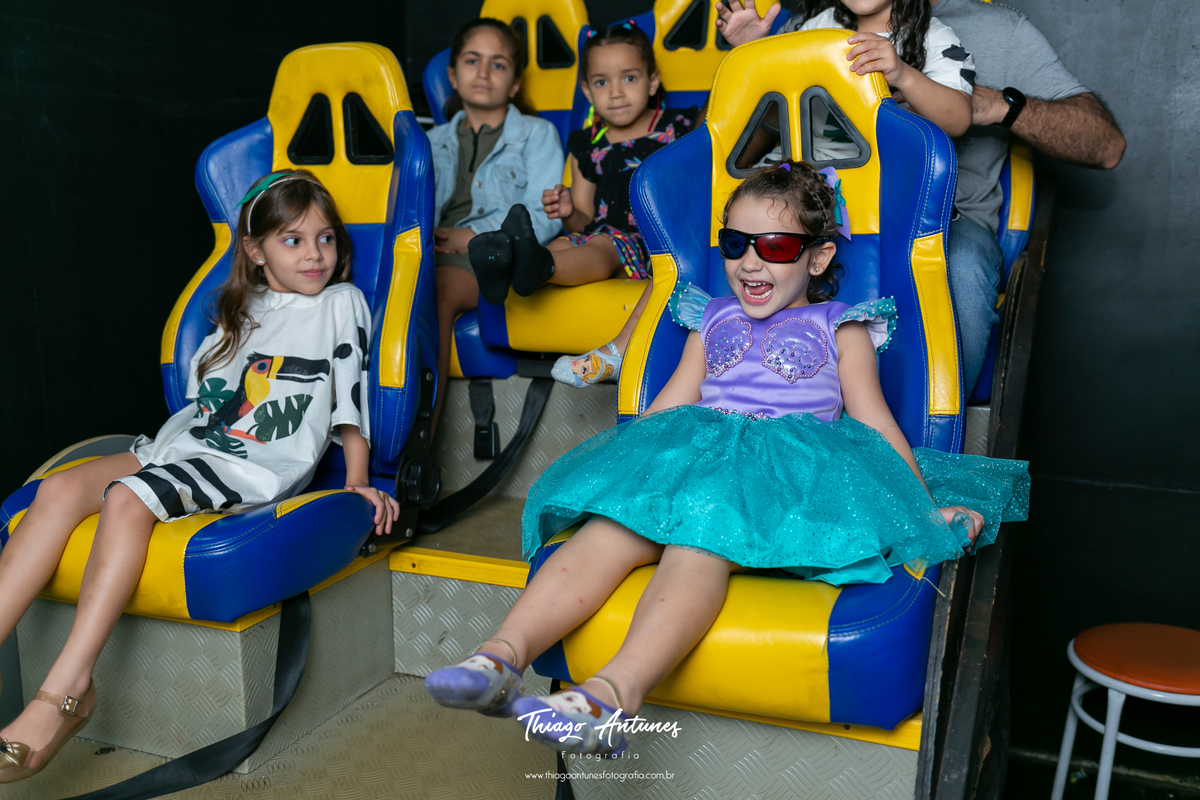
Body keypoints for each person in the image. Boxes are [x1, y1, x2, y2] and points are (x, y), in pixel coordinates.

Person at [423, 162, 1029, 756]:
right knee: (606, 529)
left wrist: (917, 510)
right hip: (695, 460)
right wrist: (620, 479)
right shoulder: (708, 318)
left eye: (775, 244)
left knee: (699, 541)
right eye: (736, 243)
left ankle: (611, 696)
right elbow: (667, 409)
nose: (751, 260)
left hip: (784, 481)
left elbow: (874, 421)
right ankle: (499, 656)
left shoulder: (840, 327)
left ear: (818, 258)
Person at [0, 170, 398, 781]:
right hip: (186, 445)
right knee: (57, 488)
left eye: (327, 238)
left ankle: (67, 692)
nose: (316, 254)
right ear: (254, 250)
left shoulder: (341, 304)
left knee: (128, 501)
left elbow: (349, 395)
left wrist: (357, 481)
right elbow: (200, 402)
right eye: (292, 240)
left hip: (252, 462)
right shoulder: (240, 308)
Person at [466, 22, 701, 389]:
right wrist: (566, 211)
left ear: (653, 82)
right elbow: (583, 220)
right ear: (587, 90)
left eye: (630, 78)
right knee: (563, 242)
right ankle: (516, 262)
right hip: (601, 232)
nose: (617, 93)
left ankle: (535, 265)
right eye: (603, 82)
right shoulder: (587, 145)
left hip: (648, 244)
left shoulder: (680, 129)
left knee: (603, 247)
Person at [929, 0, 1125, 393]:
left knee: (962, 263)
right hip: (829, 218)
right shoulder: (816, 22)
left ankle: (936, 446)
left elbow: (1106, 145)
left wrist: (997, 104)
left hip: (949, 227)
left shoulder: (997, 29)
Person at [428, 18, 565, 427]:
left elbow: (543, 217)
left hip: (485, 259)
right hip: (425, 253)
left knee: (435, 292)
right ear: (453, 75)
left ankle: (418, 433)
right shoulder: (429, 142)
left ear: (516, 83)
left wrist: (470, 237)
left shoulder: (536, 135)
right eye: (472, 61)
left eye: (498, 64)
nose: (484, 73)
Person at [717, 0, 977, 165]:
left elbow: (958, 120)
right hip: (804, 169)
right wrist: (750, 51)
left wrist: (903, 74)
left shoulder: (935, 36)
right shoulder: (817, 26)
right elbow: (773, 94)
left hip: (890, 175)